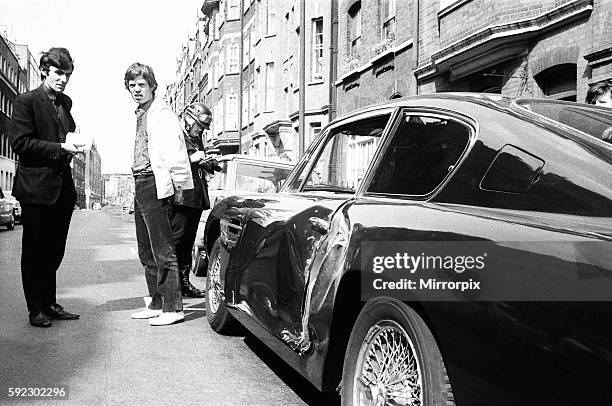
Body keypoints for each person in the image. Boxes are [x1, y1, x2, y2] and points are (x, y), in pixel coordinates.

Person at [9, 47, 82, 327]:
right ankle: (35, 309)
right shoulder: (26, 101)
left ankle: (50, 303)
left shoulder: (66, 103)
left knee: (54, 250)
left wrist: (75, 144)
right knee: (34, 252)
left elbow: (66, 134)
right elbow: (21, 143)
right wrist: (60, 147)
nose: (63, 79)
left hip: (62, 190)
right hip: (36, 189)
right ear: (44, 71)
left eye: (67, 75)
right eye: (59, 73)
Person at [124, 62, 194, 326]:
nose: (137, 90)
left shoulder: (162, 114)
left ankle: (174, 307)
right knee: (146, 250)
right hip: (140, 182)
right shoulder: (142, 114)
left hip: (155, 182)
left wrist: (179, 188)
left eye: (142, 85)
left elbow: (176, 153)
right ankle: (156, 302)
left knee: (163, 249)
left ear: (153, 86)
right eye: (132, 86)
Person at [173, 103, 221, 298]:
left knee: (188, 241)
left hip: (196, 196)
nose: (201, 130)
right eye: (199, 126)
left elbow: (199, 162)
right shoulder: (177, 136)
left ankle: (183, 283)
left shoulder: (195, 138)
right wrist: (191, 159)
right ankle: (171, 285)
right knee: (176, 240)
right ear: (189, 119)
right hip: (182, 196)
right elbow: (169, 160)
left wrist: (209, 162)